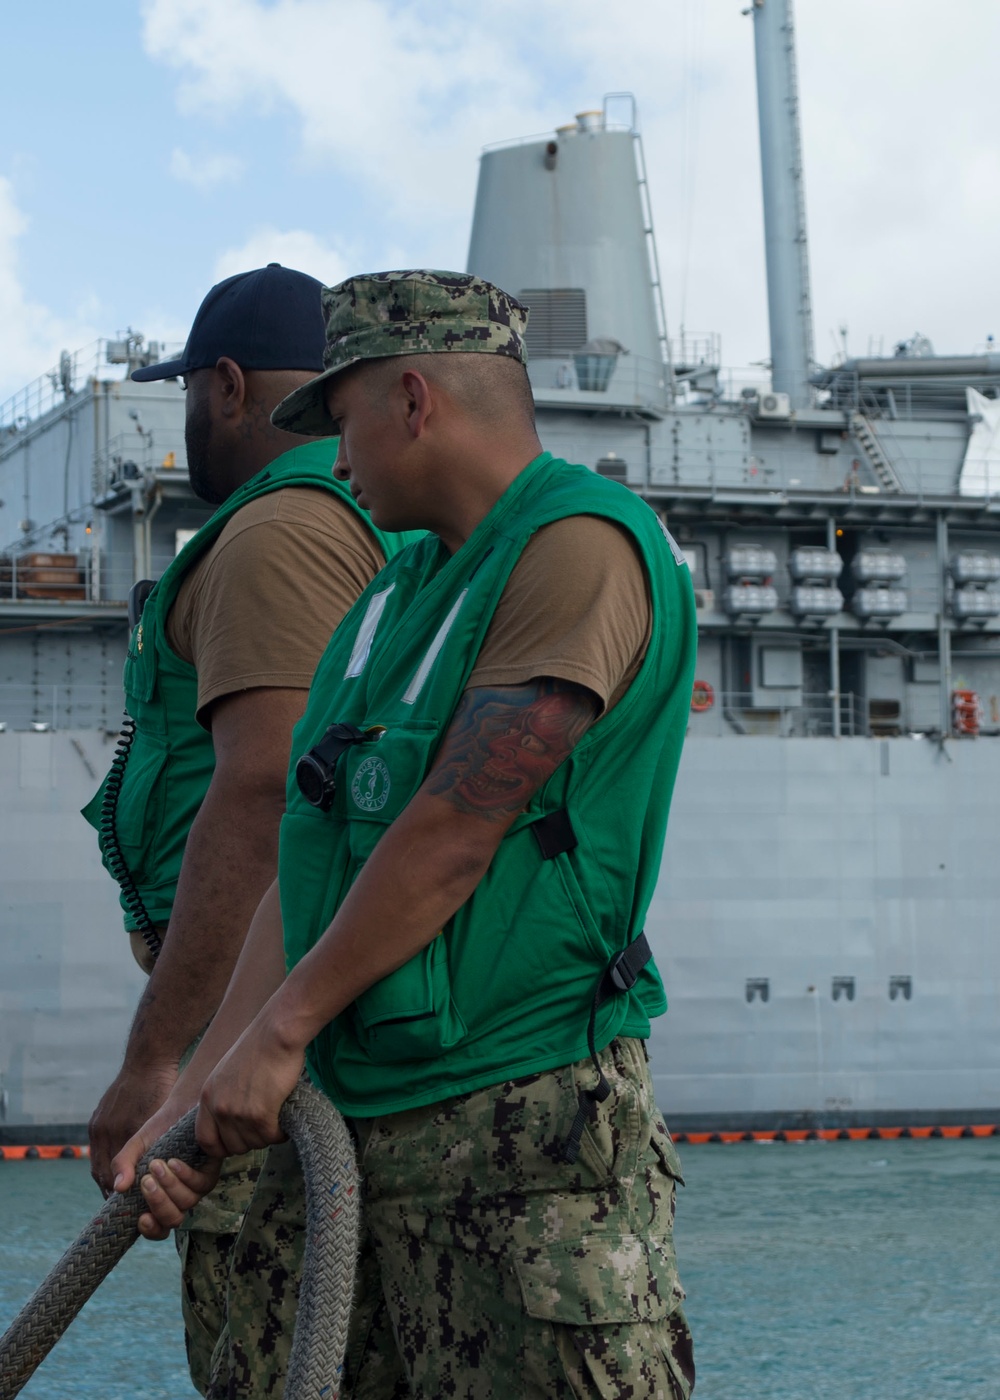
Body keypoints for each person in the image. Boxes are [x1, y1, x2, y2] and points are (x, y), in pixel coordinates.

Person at [115, 270, 698, 1399]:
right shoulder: (387, 600)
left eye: (342, 425)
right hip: (371, 1142)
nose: (336, 464)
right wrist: (204, 1083)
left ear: (413, 400)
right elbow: (310, 864)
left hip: (528, 1138)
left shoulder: (579, 547)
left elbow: (452, 831)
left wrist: (279, 1038)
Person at [83, 263, 417, 1397]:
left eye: (187, 392)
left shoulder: (273, 536)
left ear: (225, 386)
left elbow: (266, 789)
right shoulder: (342, 525)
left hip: (257, 1056)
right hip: (288, 1030)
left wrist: (157, 1062)